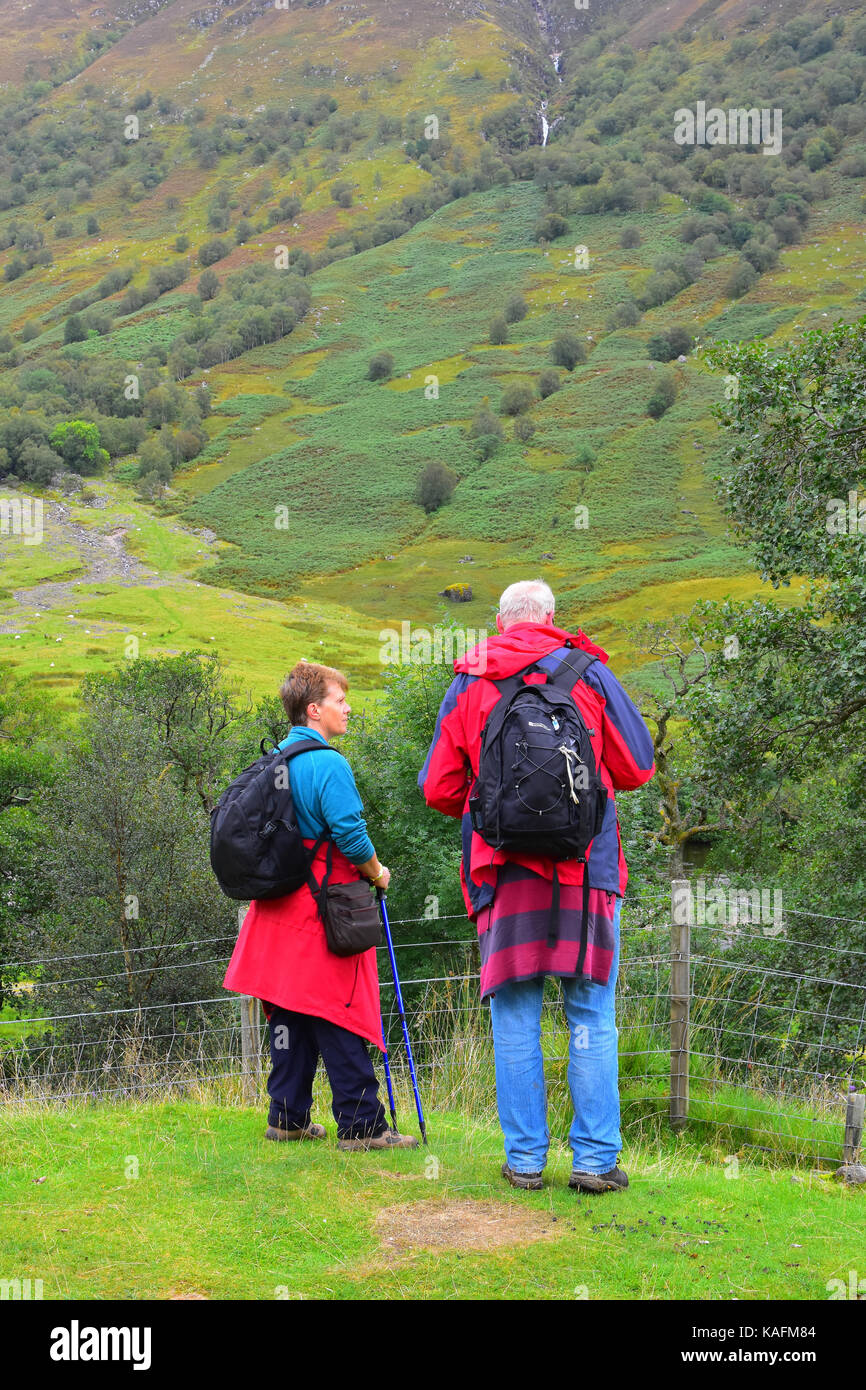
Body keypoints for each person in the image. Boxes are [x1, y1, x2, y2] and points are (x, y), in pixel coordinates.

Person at [419, 580, 655, 1191]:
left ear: (501, 623)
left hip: (504, 875)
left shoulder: (470, 680)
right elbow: (637, 767)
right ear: (552, 619)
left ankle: (525, 1161)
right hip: (587, 872)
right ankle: (596, 1162)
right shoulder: (590, 674)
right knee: (590, 1015)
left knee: (517, 1017)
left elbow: (439, 789)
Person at [224, 660, 418, 1150]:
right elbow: (351, 838)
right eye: (339, 700)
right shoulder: (327, 762)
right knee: (340, 1011)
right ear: (315, 710)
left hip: (275, 912)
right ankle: (362, 1127)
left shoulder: (277, 759)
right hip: (323, 913)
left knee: (290, 1013)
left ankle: (286, 1118)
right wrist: (378, 872)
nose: (348, 708)